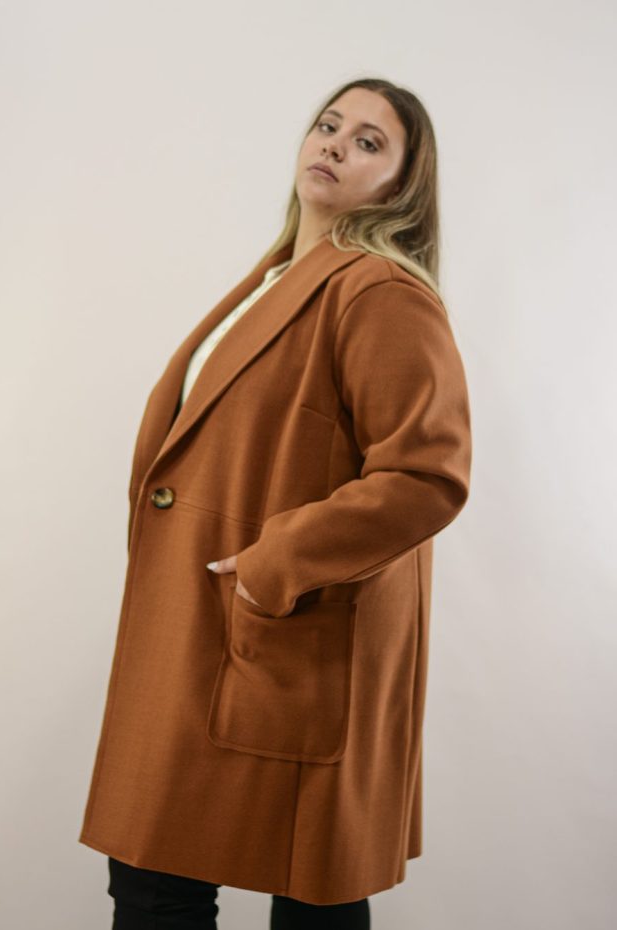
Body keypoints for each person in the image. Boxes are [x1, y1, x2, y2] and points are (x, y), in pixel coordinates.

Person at [78, 76, 473, 929]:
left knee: (297, 899)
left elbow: (427, 475)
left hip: (281, 637)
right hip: (202, 634)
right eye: (328, 125)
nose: (333, 144)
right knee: (155, 880)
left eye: (368, 142)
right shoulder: (277, 279)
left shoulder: (380, 292)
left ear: (402, 185)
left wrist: (274, 565)